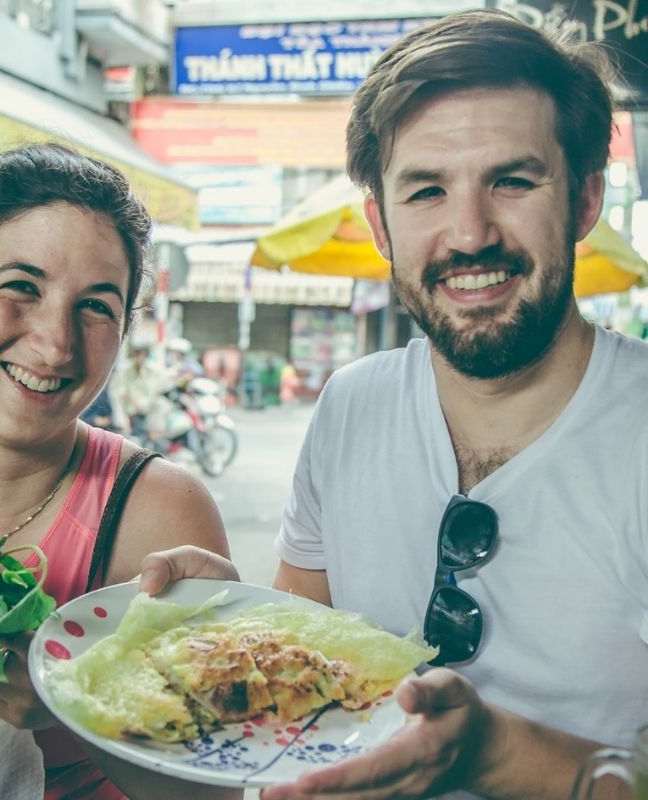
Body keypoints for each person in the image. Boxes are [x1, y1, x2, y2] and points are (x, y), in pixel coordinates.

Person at [138, 9, 648, 800]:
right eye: (426, 190)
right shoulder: (352, 405)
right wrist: (230, 623)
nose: (470, 233)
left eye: (512, 181)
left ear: (584, 199)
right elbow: (308, 665)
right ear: (380, 222)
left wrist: (489, 752)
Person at [0, 144, 241, 800]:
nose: (55, 342)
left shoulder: (160, 514)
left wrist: (82, 704)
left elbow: (216, 792)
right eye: (21, 288)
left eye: (95, 306)